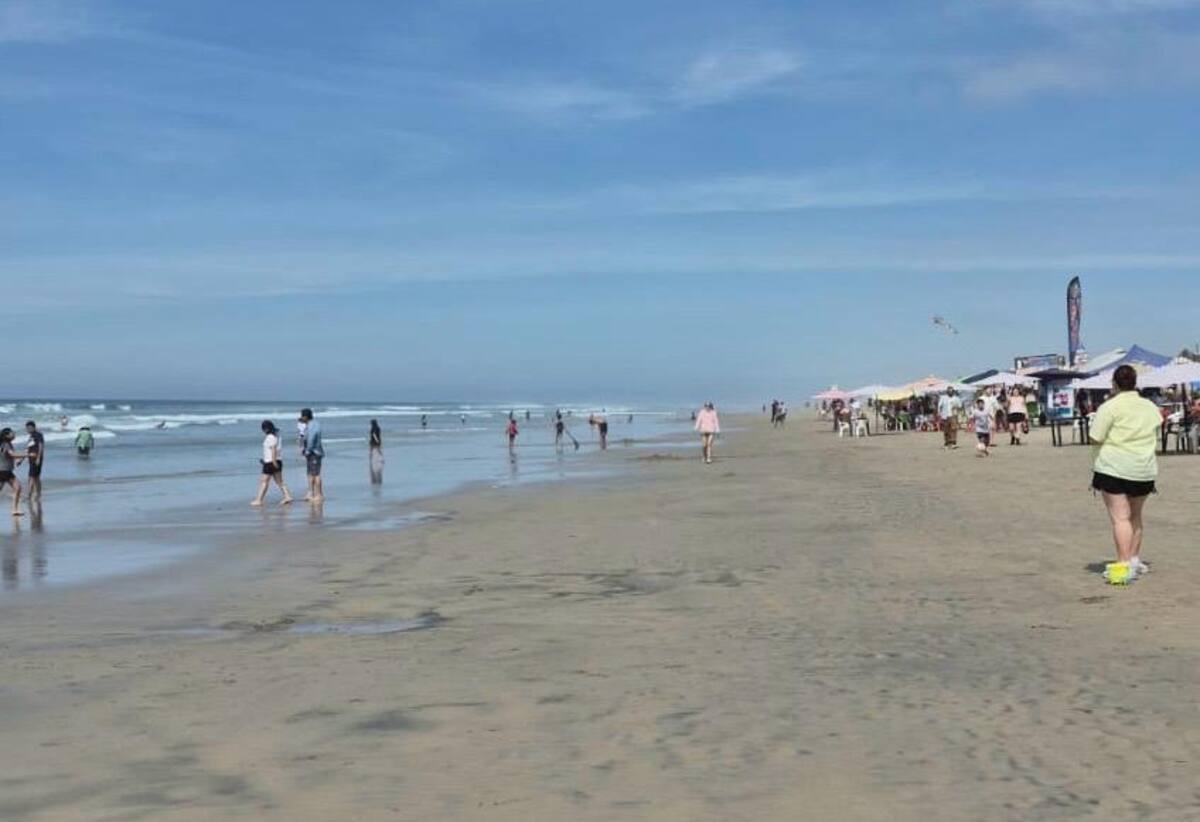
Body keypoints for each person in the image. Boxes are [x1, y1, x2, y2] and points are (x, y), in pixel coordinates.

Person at [1091, 365, 1162, 584]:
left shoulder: (1109, 407)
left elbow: (1096, 436)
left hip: (1114, 467)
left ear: (1114, 383)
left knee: (1120, 517)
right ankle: (1133, 559)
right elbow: (1158, 424)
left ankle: (1122, 565)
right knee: (1136, 516)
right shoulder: (1149, 406)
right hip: (1143, 468)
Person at [251, 421, 292, 507]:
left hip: (271, 462)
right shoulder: (277, 436)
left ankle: (259, 500)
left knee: (264, 481)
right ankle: (287, 496)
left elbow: (273, 450)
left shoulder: (270, 437)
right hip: (276, 461)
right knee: (279, 481)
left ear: (266, 429)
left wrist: (273, 462)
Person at [298, 408, 324, 502]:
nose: (301, 418)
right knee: (309, 473)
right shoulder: (309, 425)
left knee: (316, 474)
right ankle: (310, 493)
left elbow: (311, 439)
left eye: (302, 416)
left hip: (314, 452)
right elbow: (305, 437)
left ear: (305, 416)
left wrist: (307, 450)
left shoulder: (313, 425)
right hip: (311, 452)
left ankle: (319, 495)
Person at [0, 428, 27, 516]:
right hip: (4, 471)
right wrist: (27, 455)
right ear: (6, 435)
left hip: (5, 470)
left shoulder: (5, 444)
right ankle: (14, 510)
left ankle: (14, 510)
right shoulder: (6, 444)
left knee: (17, 487)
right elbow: (12, 454)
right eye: (12, 433)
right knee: (17, 487)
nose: (14, 434)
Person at [24, 421, 44, 500]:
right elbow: (28, 448)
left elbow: (41, 446)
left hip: (36, 459)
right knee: (35, 477)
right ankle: (38, 495)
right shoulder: (31, 436)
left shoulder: (38, 435)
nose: (27, 429)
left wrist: (38, 457)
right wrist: (22, 459)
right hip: (31, 459)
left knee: (32, 477)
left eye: (29, 428)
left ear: (33, 427)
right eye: (27, 428)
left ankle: (29, 495)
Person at [368, 419, 384, 485]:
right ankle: (381, 458)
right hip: (378, 440)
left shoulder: (373, 428)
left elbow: (373, 435)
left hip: (373, 440)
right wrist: (378, 440)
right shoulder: (378, 428)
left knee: (372, 449)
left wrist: (376, 440)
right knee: (378, 449)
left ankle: (371, 458)